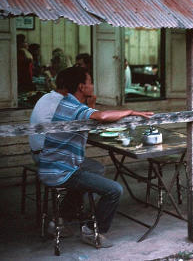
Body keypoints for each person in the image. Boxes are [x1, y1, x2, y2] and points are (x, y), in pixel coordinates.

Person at [38, 66, 153, 247]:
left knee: (97, 169)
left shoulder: (68, 102)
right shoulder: (73, 106)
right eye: (90, 82)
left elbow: (89, 117)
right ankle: (92, 231)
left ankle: (61, 219)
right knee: (114, 190)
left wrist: (91, 104)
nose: (92, 85)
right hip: (61, 170)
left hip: (53, 166)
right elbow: (102, 115)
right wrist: (130, 112)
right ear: (82, 87)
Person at [29, 69, 105, 225]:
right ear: (77, 86)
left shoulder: (47, 97)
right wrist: (91, 106)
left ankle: (69, 210)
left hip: (38, 152)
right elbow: (89, 127)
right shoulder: (63, 103)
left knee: (82, 170)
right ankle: (68, 213)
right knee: (95, 169)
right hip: (51, 158)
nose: (92, 85)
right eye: (89, 82)